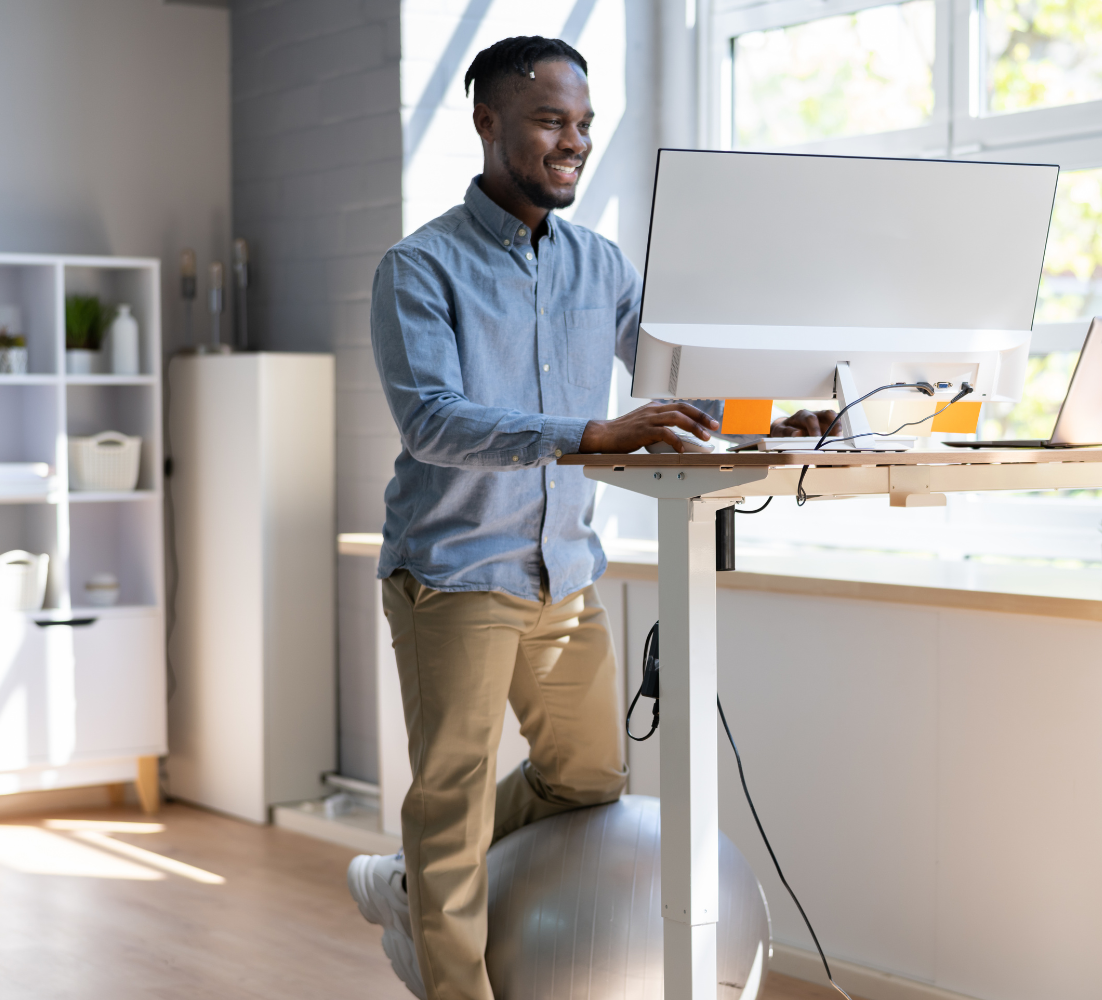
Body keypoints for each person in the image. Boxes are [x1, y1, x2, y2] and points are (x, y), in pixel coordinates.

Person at [345, 35, 833, 1000]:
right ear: (487, 122)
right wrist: (593, 433)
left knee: (588, 781)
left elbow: (679, 380)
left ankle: (415, 871)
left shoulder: (600, 264)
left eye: (582, 126)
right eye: (548, 121)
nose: (572, 142)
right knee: (448, 804)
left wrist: (776, 414)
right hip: (453, 572)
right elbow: (433, 420)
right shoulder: (419, 268)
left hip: (563, 571)